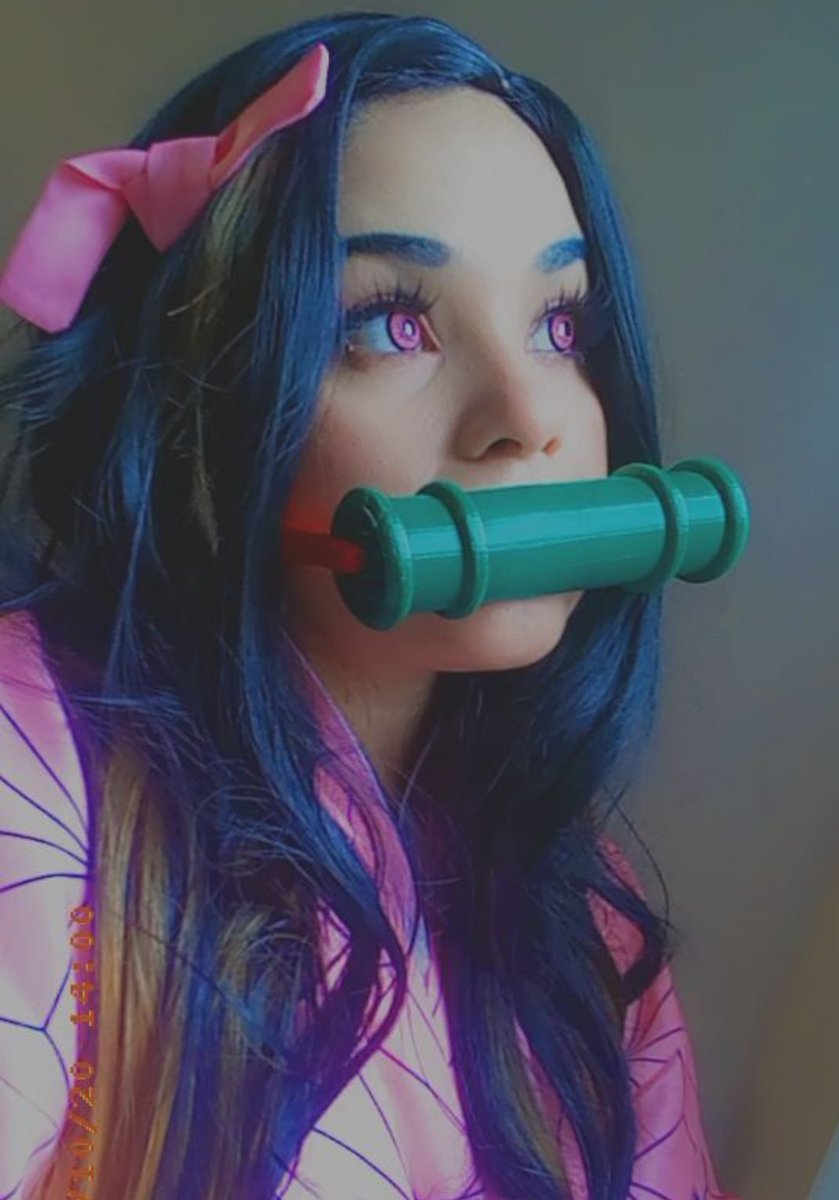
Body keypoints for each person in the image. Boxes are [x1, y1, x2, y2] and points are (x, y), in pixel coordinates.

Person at [0, 12, 741, 1199]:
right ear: (204, 406)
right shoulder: (30, 750)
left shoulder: (587, 927)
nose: (526, 419)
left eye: (559, 325)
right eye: (395, 325)